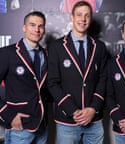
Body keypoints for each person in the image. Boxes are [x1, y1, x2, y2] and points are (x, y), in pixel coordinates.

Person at [0, 11, 49, 144]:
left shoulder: (45, 54)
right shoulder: (7, 53)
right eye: (32, 25)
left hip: (42, 126)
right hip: (19, 126)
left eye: (40, 26)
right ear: (24, 27)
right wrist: (8, 115)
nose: (37, 29)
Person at [47, 1, 108, 144]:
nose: (83, 19)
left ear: (91, 19)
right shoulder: (57, 47)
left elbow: (103, 79)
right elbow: (52, 83)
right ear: (72, 17)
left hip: (94, 119)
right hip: (67, 119)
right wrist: (73, 111)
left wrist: (93, 108)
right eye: (79, 15)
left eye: (87, 15)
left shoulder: (99, 47)